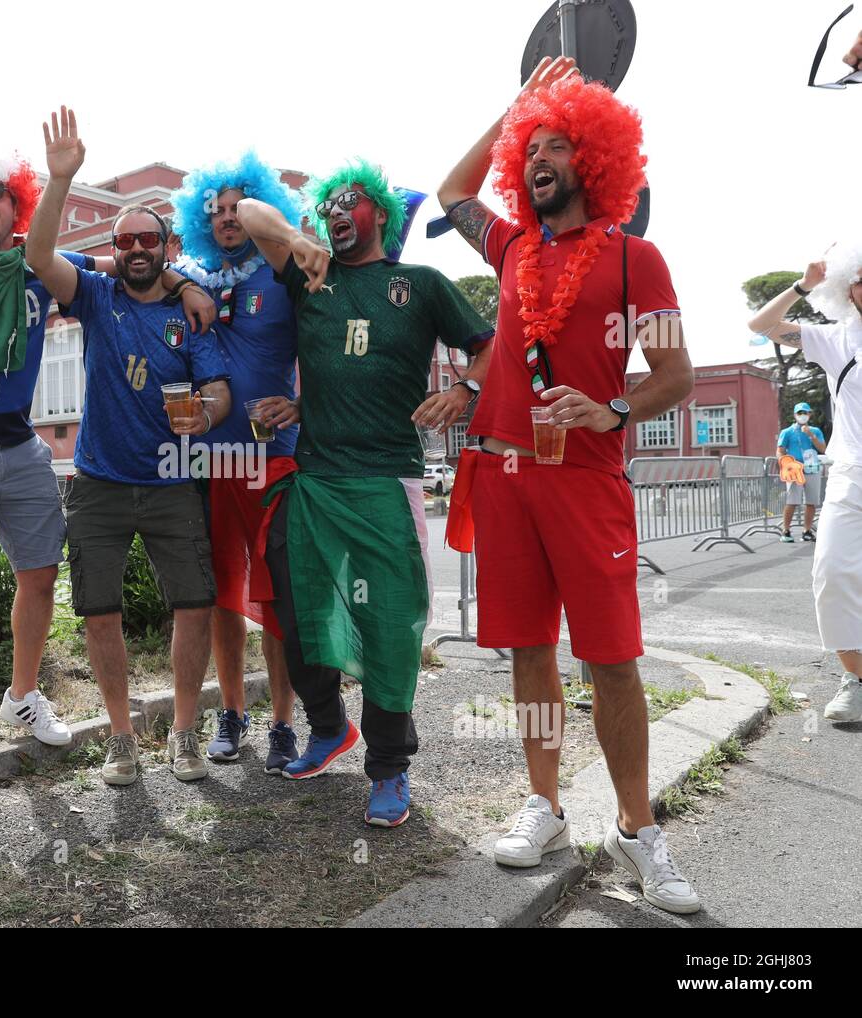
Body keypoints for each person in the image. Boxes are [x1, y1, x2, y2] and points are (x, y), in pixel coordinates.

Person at [431, 57, 699, 913]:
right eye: (530, 148)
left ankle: (636, 827)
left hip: (587, 479)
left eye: (558, 145)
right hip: (506, 473)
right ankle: (544, 804)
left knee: (612, 660)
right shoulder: (507, 244)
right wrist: (513, 108)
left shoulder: (636, 261)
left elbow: (678, 374)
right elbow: (449, 191)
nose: (540, 157)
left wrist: (613, 408)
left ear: (597, 162)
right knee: (531, 654)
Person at [0, 155, 213, 761]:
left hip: (19, 438)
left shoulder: (35, 265)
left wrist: (187, 281)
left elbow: (127, 267)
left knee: (41, 573)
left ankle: (23, 693)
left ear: (19, 208)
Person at [236, 159, 494, 827]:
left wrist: (465, 388)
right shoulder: (309, 273)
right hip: (315, 481)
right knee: (298, 614)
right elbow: (245, 214)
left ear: (381, 213)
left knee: (389, 629)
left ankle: (389, 767)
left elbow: (490, 347)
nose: (338, 212)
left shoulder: (423, 283)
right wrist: (294, 238)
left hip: (387, 480)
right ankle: (328, 729)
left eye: (352, 202)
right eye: (330, 205)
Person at [25, 108, 232, 786]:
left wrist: (206, 413)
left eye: (151, 239)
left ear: (168, 249)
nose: (139, 248)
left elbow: (221, 388)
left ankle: (183, 734)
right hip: (99, 481)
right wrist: (61, 180)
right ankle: (120, 737)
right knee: (100, 611)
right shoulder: (95, 293)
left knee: (194, 605)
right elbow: (37, 257)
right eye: (128, 240)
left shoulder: (191, 308)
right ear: (118, 251)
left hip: (174, 478)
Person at [169, 152, 303, 772]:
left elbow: (325, 345)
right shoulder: (190, 278)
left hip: (274, 460)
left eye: (236, 207)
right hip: (210, 462)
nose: (226, 218)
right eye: (215, 210)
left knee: (274, 598)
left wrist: (302, 405)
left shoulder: (281, 271)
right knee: (223, 596)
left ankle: (281, 722)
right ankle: (230, 712)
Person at [747, 244, 862, 724]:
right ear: (846, 289)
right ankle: (855, 679)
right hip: (852, 474)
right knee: (833, 572)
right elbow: (762, 328)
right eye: (860, 277)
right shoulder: (837, 340)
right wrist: (803, 284)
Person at [775, 401, 826, 542]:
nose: (803, 415)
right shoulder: (787, 432)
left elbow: (822, 449)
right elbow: (780, 451)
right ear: (795, 415)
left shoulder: (815, 431)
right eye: (800, 413)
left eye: (805, 412)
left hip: (812, 469)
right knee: (792, 501)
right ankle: (785, 531)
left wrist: (811, 435)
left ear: (810, 414)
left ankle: (807, 531)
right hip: (794, 470)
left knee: (811, 502)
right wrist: (785, 464)